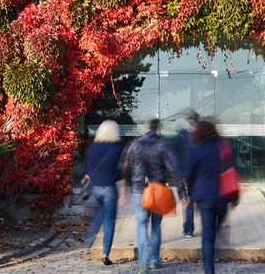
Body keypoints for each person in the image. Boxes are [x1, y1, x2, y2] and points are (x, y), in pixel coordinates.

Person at [120, 118, 186, 274]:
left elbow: (124, 167)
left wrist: (131, 183)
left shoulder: (134, 145)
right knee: (156, 225)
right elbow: (173, 169)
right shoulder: (162, 145)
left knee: (141, 225)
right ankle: (155, 259)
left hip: (139, 190)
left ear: (146, 129)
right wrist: (181, 192)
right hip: (158, 190)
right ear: (157, 130)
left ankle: (143, 263)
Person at [185, 120, 232, 274]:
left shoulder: (196, 150)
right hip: (222, 197)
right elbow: (232, 169)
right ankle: (217, 232)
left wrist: (190, 195)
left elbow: (190, 176)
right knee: (215, 229)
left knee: (207, 238)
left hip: (204, 197)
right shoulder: (223, 148)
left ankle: (209, 271)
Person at [84, 119, 127, 266]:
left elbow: (88, 172)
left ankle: (91, 235)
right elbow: (119, 174)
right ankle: (105, 254)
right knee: (109, 222)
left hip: (95, 188)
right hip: (110, 189)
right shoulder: (118, 149)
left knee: (98, 216)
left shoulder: (92, 148)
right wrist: (122, 193)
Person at [174, 108, 199, 237]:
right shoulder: (201, 134)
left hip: (186, 173)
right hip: (198, 173)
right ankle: (203, 225)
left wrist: (181, 174)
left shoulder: (181, 135)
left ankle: (188, 228)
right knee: (194, 200)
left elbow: (176, 156)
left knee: (188, 201)